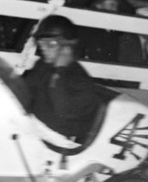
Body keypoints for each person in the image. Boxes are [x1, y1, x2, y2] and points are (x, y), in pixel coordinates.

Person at [21, 15, 101, 146]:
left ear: (67, 47)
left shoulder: (79, 78)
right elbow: (25, 90)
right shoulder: (43, 65)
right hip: (35, 129)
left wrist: (60, 70)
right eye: (41, 43)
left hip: (59, 142)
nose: (43, 48)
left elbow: (63, 110)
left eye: (51, 43)